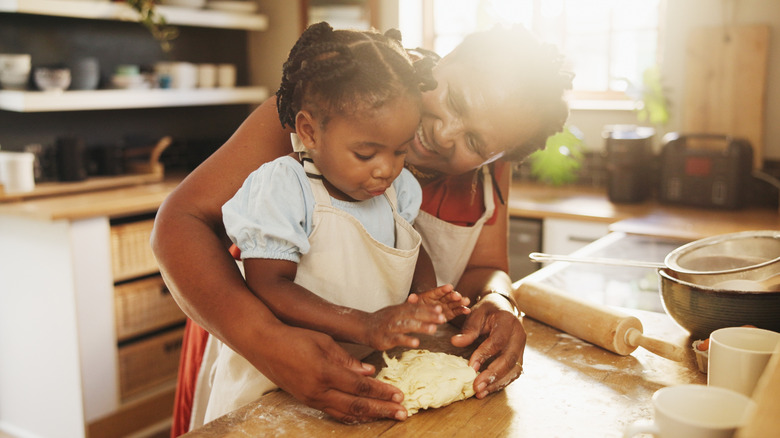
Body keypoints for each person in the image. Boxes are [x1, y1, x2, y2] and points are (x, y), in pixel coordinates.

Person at [152, 22, 571, 435]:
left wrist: (498, 301)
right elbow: (180, 223)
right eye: (456, 99)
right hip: (247, 330)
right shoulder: (338, 98)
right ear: (443, 61)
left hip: (376, 371)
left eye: (476, 144)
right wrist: (266, 341)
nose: (445, 135)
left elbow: (485, 268)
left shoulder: (491, 154)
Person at [201, 22, 471, 422]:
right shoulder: (284, 187)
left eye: (399, 151)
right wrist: (364, 325)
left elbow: (411, 248)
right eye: (366, 153)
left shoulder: (400, 189)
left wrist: (425, 295)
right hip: (273, 386)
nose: (386, 170)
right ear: (310, 131)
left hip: (354, 377)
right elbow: (269, 285)